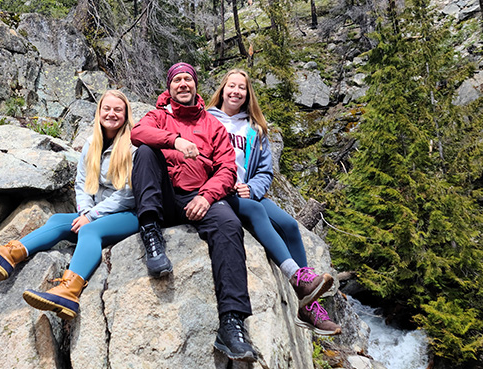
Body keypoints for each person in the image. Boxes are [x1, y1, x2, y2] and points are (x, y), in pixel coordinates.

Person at [0, 90, 138, 320]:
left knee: (89, 229)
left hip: (127, 215)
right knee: (58, 221)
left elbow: (128, 195)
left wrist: (92, 216)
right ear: (98, 112)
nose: (111, 114)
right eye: (106, 108)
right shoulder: (92, 144)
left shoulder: (133, 146)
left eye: (118, 110)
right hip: (96, 213)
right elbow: (82, 183)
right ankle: (9, 256)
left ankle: (69, 291)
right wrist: (85, 211)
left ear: (126, 115)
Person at [131, 62, 258, 362]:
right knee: (146, 152)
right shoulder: (158, 116)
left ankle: (232, 323)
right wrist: (174, 140)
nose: (183, 84)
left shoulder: (212, 125)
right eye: (178, 80)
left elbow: (227, 169)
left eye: (188, 79)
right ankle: (151, 235)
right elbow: (138, 132)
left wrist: (207, 196)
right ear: (170, 86)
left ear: (196, 85)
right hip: (166, 197)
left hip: (200, 196)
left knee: (228, 224)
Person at [207, 69, 342, 336]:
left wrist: (251, 188)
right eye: (230, 86)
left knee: (290, 226)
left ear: (247, 95)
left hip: (246, 192)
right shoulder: (207, 120)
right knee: (257, 212)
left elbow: (265, 171)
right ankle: (296, 276)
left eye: (241, 88)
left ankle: (308, 305)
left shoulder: (255, 128)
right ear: (222, 90)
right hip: (219, 192)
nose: (235, 91)